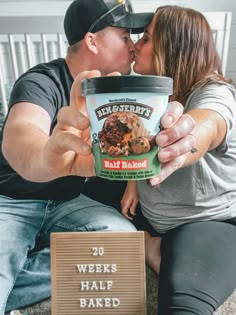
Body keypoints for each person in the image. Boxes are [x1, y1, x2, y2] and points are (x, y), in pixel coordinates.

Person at [0, 0, 196, 314]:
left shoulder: (116, 91)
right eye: (124, 36)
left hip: (67, 201)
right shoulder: (41, 81)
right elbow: (22, 133)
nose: (134, 46)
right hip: (12, 200)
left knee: (121, 242)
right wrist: (44, 159)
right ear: (92, 41)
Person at [121, 5, 236, 315]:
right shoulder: (151, 95)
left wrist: (185, 138)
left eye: (145, 39)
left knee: (182, 307)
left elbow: (209, 122)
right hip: (155, 212)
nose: (135, 47)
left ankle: (151, 248)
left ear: (171, 48)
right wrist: (133, 180)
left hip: (206, 222)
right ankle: (150, 245)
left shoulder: (215, 92)